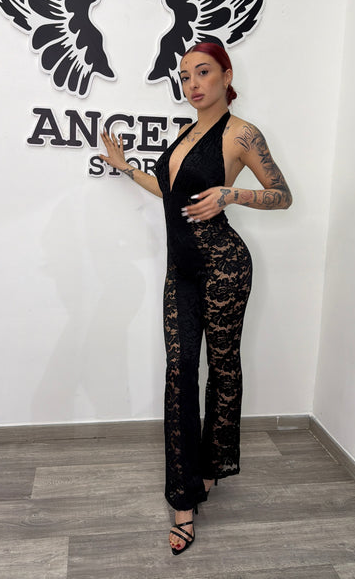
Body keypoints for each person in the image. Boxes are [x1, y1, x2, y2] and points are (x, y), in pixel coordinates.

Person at [100, 42, 292, 555]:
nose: (192, 85)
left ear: (226, 75)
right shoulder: (185, 134)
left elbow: (282, 194)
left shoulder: (241, 134)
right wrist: (125, 168)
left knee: (223, 369)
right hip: (181, 273)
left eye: (202, 73)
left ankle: (210, 467)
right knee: (181, 372)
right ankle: (183, 498)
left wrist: (231, 194)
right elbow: (169, 193)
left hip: (225, 266)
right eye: (185, 77)